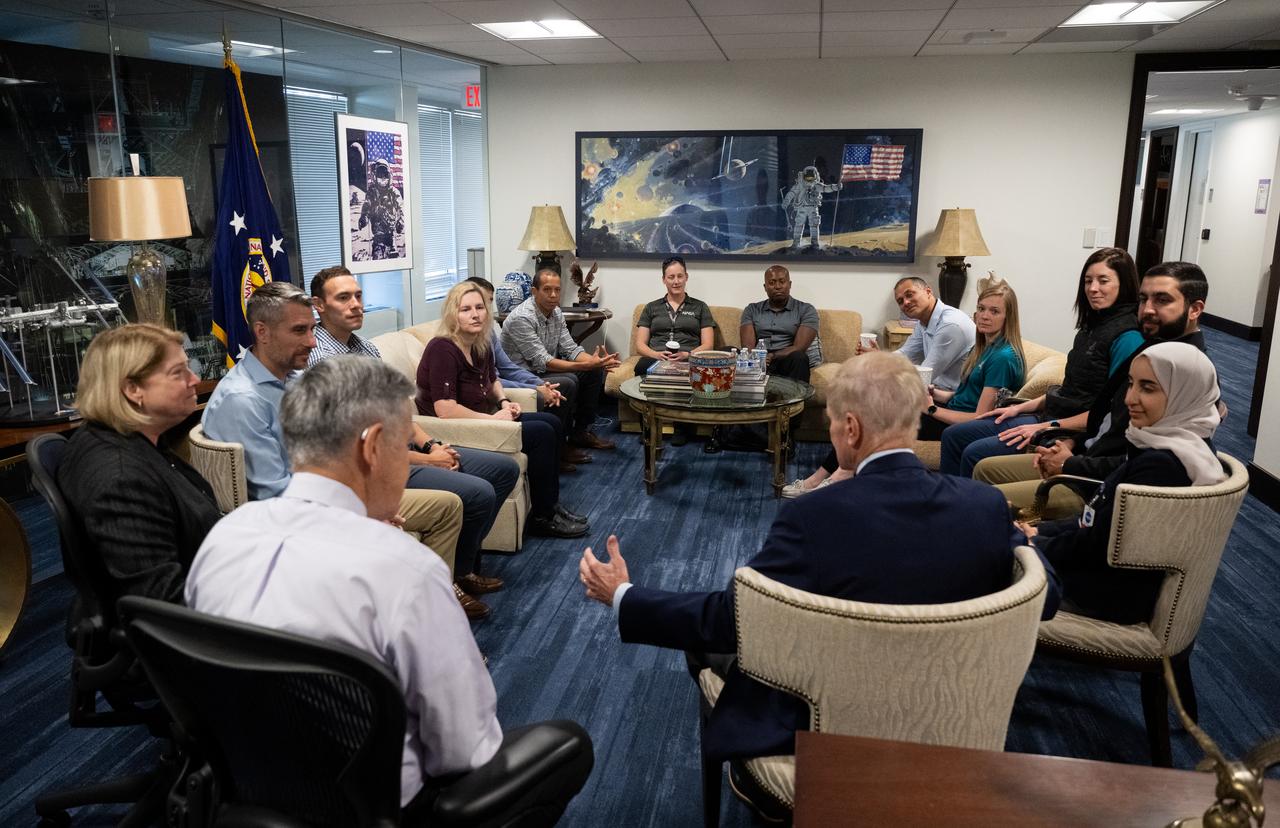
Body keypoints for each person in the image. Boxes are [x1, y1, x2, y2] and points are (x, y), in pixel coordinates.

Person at [579, 351, 1059, 818]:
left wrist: (625, 595)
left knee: (712, 649)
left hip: (827, 733)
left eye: (832, 422)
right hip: (955, 724)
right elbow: (1046, 596)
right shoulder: (984, 506)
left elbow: (734, 619)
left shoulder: (813, 516)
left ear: (850, 429)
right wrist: (1023, 543)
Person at [186, 356, 591, 820]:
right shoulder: (404, 570)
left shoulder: (223, 539)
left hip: (246, 792)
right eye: (404, 444)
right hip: (377, 808)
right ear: (373, 446)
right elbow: (465, 749)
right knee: (570, 745)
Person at [202, 280, 464, 578]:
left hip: (330, 496)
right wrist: (358, 514)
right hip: (295, 520)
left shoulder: (295, 379)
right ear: (262, 332)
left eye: (313, 329)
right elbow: (276, 495)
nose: (313, 342)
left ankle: (434, 595)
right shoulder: (243, 401)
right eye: (299, 331)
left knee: (448, 507)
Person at [308, 266, 520, 620]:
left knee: (503, 469)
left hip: (404, 450)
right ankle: (450, 582)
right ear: (319, 305)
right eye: (343, 298)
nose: (356, 305)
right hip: (376, 469)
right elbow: (355, 445)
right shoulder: (320, 361)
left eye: (358, 296)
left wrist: (432, 444)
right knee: (477, 492)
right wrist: (426, 461)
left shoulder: (366, 350)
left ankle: (464, 569)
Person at [976, 262, 1209, 519]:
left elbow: (1141, 462)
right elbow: (1108, 421)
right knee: (985, 469)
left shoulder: (1188, 372)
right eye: (1143, 299)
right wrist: (1071, 443)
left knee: (985, 502)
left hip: (1096, 487)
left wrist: (1068, 461)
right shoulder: (1151, 350)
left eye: (1162, 300)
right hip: (1085, 453)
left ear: (1195, 309)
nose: (1148, 309)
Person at [1020, 342, 1223, 624]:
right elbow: (1093, 523)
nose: (1130, 398)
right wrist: (1037, 531)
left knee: (979, 562)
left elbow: (1098, 545)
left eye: (1148, 388)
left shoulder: (1163, 466)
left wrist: (1033, 542)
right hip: (1096, 574)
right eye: (1131, 384)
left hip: (1098, 592)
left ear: (1184, 394)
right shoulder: (1172, 443)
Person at [940, 247, 1145, 477]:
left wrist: (1044, 427)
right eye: (1088, 281)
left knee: (975, 452)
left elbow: (1108, 413)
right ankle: (948, 505)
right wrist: (1018, 407)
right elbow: (1071, 391)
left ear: (1124, 284)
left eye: (1103, 280)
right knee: (954, 435)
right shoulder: (1090, 328)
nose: (1093, 288)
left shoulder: (1128, 338)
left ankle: (973, 509)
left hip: (1069, 430)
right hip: (1049, 417)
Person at [57, 324, 221, 604]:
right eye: (178, 372)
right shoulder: (122, 479)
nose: (194, 379)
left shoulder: (132, 439)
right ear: (133, 389)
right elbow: (163, 603)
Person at [417, 281, 589, 539]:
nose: (475, 314)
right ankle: (542, 517)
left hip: (484, 418)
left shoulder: (479, 341)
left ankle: (550, 507)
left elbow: (492, 380)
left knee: (550, 424)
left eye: (479, 307)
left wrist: (503, 403)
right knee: (541, 433)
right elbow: (445, 409)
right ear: (453, 314)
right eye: (465, 309)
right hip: (454, 429)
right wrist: (492, 418)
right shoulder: (442, 348)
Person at [782, 275, 975, 497]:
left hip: (947, 408)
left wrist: (880, 368)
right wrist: (878, 356)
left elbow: (924, 375)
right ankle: (824, 478)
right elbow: (903, 355)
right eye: (900, 301)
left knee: (868, 416)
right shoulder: (926, 322)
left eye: (909, 295)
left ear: (929, 291)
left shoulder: (950, 325)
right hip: (932, 397)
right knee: (860, 409)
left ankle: (836, 476)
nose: (905, 303)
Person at [500, 267, 620, 460]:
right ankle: (558, 446)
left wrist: (596, 362)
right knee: (569, 381)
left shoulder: (556, 313)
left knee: (593, 372)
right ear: (534, 291)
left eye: (557, 289)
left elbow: (571, 349)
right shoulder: (521, 318)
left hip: (542, 370)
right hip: (523, 376)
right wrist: (585, 365)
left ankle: (580, 432)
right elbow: (543, 361)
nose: (553, 295)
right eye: (547, 289)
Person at [918, 279, 1026, 440]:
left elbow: (980, 417)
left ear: (1008, 317)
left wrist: (932, 409)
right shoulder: (982, 347)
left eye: (994, 311)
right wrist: (935, 394)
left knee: (887, 417)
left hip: (961, 426)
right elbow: (965, 396)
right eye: (981, 309)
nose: (984, 316)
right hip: (952, 411)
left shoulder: (1003, 358)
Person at [633, 256, 717, 446]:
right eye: (671, 277)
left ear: (686, 277)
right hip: (657, 357)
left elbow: (708, 344)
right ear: (664, 279)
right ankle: (648, 427)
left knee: (691, 369)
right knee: (642, 366)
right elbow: (640, 344)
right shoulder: (651, 308)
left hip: (688, 356)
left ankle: (683, 429)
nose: (676, 281)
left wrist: (688, 355)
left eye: (680, 276)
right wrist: (656, 355)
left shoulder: (700, 307)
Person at [465, 276, 566, 411]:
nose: (486, 309)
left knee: (563, 385)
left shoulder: (488, 331)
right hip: (492, 392)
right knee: (549, 419)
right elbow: (489, 380)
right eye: (479, 304)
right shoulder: (459, 342)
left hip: (503, 383)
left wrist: (541, 383)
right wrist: (535, 388)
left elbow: (507, 367)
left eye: (488, 302)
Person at [738, 265, 820, 383]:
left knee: (799, 357)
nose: (777, 286)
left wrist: (772, 356)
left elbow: (799, 347)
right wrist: (758, 358)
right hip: (757, 362)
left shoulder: (806, 310)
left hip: (787, 361)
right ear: (765, 287)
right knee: (726, 352)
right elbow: (747, 346)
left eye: (782, 282)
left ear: (790, 284)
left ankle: (796, 401)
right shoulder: (752, 309)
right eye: (772, 283)